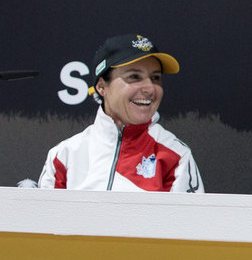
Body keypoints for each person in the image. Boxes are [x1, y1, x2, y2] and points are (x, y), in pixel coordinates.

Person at [38, 34, 203, 192]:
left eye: (155, 78)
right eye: (134, 77)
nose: (150, 88)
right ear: (102, 87)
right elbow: (44, 219)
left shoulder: (176, 156)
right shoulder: (64, 155)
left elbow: (187, 221)